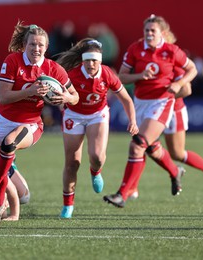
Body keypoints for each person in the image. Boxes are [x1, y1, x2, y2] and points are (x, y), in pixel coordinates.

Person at [0, 21, 79, 227]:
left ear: (47, 46)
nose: (36, 49)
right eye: (32, 44)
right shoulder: (12, 61)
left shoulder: (53, 69)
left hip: (31, 124)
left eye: (40, 45)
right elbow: (4, 97)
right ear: (24, 45)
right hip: (3, 119)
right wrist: (30, 91)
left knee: (9, 144)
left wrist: (66, 98)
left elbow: (75, 97)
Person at [103, 14, 198, 208]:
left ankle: (122, 193)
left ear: (161, 33)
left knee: (138, 144)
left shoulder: (171, 51)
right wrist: (140, 75)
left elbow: (193, 69)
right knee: (149, 146)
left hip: (162, 102)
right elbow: (121, 77)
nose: (149, 34)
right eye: (146, 30)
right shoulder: (135, 49)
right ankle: (174, 172)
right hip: (141, 103)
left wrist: (179, 83)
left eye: (152, 30)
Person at [126, 30, 203, 200]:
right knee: (143, 144)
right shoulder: (145, 57)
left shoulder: (172, 59)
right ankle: (132, 187)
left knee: (176, 153)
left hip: (173, 109)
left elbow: (187, 89)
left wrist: (161, 97)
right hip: (152, 108)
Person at [54, 38, 139, 218]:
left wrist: (132, 120)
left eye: (95, 60)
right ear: (82, 60)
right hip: (74, 116)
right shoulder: (73, 75)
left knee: (97, 156)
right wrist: (63, 99)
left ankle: (95, 171)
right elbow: (60, 94)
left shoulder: (107, 74)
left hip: (97, 115)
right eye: (88, 60)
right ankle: (68, 205)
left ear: (100, 60)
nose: (91, 64)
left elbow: (126, 99)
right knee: (72, 164)